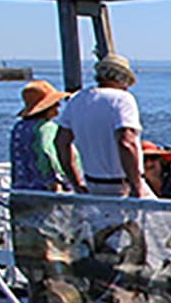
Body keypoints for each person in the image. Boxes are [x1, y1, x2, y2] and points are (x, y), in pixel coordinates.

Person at [55, 53, 147, 197]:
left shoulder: (77, 99)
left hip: (92, 184)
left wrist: (76, 183)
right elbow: (126, 143)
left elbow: (61, 142)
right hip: (122, 184)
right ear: (124, 79)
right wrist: (136, 187)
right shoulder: (122, 99)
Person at [10, 79, 69, 192]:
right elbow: (47, 156)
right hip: (44, 191)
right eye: (55, 103)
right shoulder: (46, 128)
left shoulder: (19, 127)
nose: (58, 105)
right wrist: (58, 182)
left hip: (21, 189)